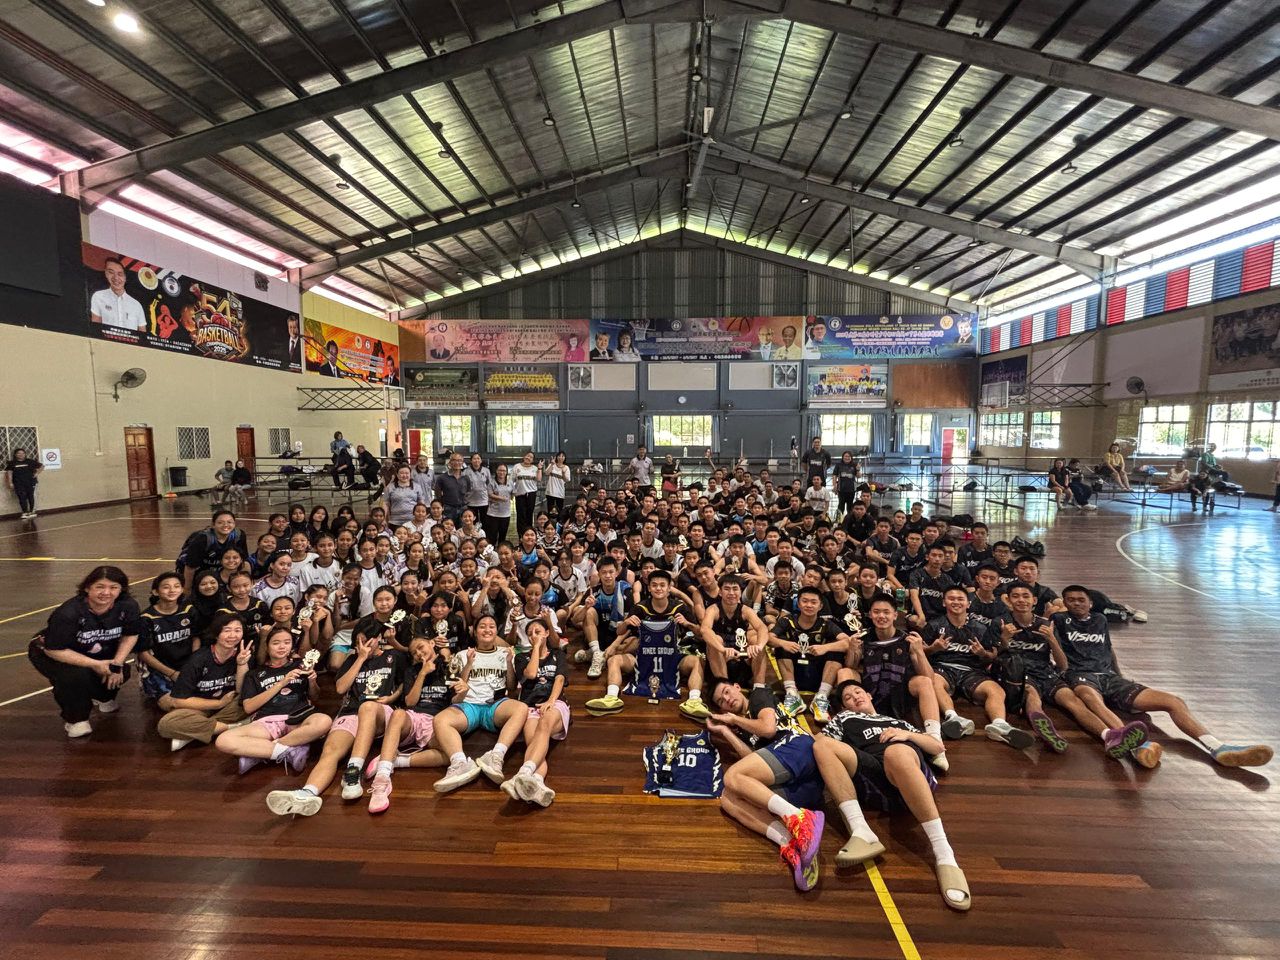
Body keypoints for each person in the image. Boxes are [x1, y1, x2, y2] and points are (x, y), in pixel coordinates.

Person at [1054, 585, 1272, 769]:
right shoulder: (1060, 620)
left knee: (1173, 701)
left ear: (1090, 603)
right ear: (1064, 603)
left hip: (1110, 678)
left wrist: (1120, 676)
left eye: (1081, 600)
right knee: (1091, 699)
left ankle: (1217, 747)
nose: (1076, 603)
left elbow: (1108, 649)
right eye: (1071, 600)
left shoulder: (1100, 620)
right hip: (1081, 675)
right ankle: (1136, 744)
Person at [815, 680, 970, 910]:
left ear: (869, 695)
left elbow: (937, 747)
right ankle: (861, 831)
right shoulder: (844, 719)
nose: (855, 697)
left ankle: (944, 853)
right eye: (848, 697)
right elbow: (819, 740)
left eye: (858, 691)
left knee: (896, 753)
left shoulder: (898, 722)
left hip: (908, 766)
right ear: (845, 707)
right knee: (822, 746)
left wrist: (905, 734)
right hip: (875, 775)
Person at [266, 610, 409, 817]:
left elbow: (405, 684)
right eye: (359, 641)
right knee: (331, 750)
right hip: (351, 713)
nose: (363, 645)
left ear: (378, 638)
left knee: (368, 707)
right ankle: (308, 792)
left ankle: (353, 770)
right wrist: (360, 659)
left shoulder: (393, 657)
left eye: (368, 641)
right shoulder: (352, 660)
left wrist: (392, 697)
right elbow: (341, 688)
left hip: (380, 712)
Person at [706, 677, 826, 891]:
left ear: (737, 686)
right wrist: (726, 732)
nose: (727, 699)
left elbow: (768, 728)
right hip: (802, 786)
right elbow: (753, 762)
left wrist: (734, 720)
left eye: (726, 691)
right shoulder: (743, 727)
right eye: (721, 701)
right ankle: (789, 841)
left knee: (731, 776)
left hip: (799, 749)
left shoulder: (758, 696)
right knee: (728, 797)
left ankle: (799, 819)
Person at [27, 566, 143, 738]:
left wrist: (116, 663)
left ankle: (101, 696)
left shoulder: (128, 606)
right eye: (100, 587)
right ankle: (76, 719)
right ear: (87, 588)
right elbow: (54, 649)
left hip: (94, 649)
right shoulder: (69, 612)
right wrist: (95, 664)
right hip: (53, 653)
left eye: (113, 587)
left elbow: (130, 634)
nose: (106, 592)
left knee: (120, 671)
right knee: (75, 676)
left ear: (121, 589)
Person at [922, 587, 1034, 749]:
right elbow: (920, 652)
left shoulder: (980, 628)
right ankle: (953, 718)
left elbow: (992, 655)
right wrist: (933, 648)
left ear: (968, 604)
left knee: (996, 691)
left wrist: (982, 653)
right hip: (943, 668)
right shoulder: (934, 625)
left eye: (960, 599)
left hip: (972, 671)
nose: (956, 602)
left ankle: (1000, 725)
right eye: (951, 598)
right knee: (934, 682)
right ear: (944, 602)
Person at [430, 615, 530, 792]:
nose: (487, 630)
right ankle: (460, 763)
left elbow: (511, 687)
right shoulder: (462, 654)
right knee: (440, 720)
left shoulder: (506, 653)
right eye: (482, 626)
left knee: (521, 708)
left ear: (496, 631)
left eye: (492, 626)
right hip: (469, 706)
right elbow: (457, 688)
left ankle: (496, 756)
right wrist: (469, 664)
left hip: (495, 706)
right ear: (475, 632)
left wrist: (509, 663)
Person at [214, 626, 331, 774]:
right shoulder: (255, 674)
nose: (282, 647)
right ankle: (290, 751)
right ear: (267, 646)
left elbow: (315, 697)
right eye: (276, 643)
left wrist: (312, 681)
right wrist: (281, 683)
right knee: (223, 740)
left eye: (287, 642)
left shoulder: (300, 666)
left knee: (324, 721)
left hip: (298, 717)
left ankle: (265, 751)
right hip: (267, 722)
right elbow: (248, 707)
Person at [156, 612, 252, 752]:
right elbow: (178, 701)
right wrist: (219, 703)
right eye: (227, 630)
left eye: (237, 630)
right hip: (201, 707)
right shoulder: (198, 659)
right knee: (166, 724)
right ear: (216, 634)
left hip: (230, 707)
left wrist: (241, 664)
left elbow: (241, 691)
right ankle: (230, 728)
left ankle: (195, 733)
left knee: (251, 703)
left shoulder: (243, 654)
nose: (233, 635)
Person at [501, 619, 570, 806]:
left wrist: (551, 700)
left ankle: (522, 773)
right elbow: (530, 674)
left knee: (544, 725)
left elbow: (560, 679)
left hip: (555, 703)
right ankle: (538, 785)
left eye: (537, 632)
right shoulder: (521, 658)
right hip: (530, 706)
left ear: (547, 633)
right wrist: (536, 649)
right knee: (533, 743)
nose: (533, 636)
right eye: (530, 633)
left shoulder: (557, 654)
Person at [89, 256, 146, 330]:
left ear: (125, 277)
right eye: (111, 272)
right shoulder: (98, 296)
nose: (116, 278)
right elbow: (96, 329)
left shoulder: (136, 305)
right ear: (106, 273)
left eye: (120, 274)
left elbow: (142, 333)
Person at [5, 446, 43, 518]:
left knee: (31, 496)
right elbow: (9, 473)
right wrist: (10, 482)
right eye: (19, 453)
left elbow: (42, 466)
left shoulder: (30, 461)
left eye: (23, 453)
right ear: (15, 454)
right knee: (22, 497)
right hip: (18, 483)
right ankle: (25, 512)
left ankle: (32, 511)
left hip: (30, 482)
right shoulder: (12, 463)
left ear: (25, 454)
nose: (21, 454)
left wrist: (37, 473)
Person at [512, 452, 542, 534]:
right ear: (524, 456)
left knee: (529, 514)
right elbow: (511, 480)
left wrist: (539, 468)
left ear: (532, 460)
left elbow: (539, 479)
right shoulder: (517, 466)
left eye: (531, 457)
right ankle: (521, 535)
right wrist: (511, 493)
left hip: (531, 494)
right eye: (527, 456)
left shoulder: (535, 468)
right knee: (520, 515)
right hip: (520, 494)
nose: (528, 458)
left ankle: (529, 533)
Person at [435, 451, 467, 522]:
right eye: (454, 460)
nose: (457, 462)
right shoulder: (442, 478)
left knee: (462, 528)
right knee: (447, 527)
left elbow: (468, 492)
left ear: (462, 462)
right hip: (448, 509)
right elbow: (438, 494)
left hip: (463, 509)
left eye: (459, 460)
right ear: (450, 462)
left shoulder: (466, 477)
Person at [544, 451, 570, 520]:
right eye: (559, 456)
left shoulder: (566, 467)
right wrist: (552, 464)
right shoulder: (552, 465)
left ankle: (559, 524)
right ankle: (549, 524)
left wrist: (563, 473)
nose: (561, 457)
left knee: (559, 511)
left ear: (565, 458)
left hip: (560, 492)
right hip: (550, 491)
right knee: (550, 510)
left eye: (562, 456)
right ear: (556, 457)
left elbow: (567, 480)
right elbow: (546, 473)